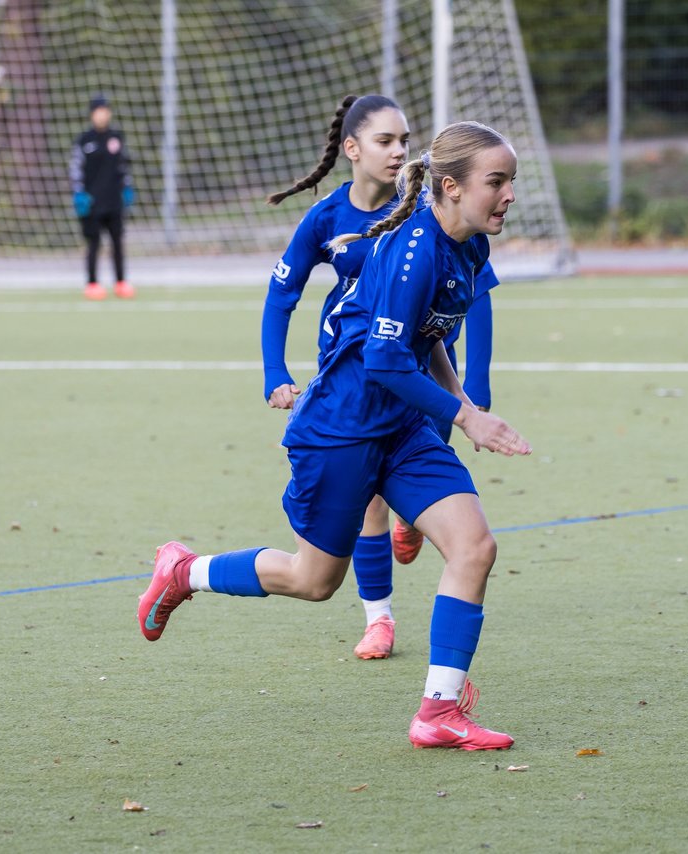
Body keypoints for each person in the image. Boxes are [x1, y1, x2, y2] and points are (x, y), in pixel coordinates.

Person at [139, 121, 529, 750]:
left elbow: (426, 338)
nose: (509, 194)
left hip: (401, 429)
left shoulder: (470, 246)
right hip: (340, 431)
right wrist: (467, 417)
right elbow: (384, 361)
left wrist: (459, 399)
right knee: (314, 581)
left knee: (474, 547)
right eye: (497, 181)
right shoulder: (414, 252)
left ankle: (438, 712)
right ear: (453, 187)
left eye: (511, 180)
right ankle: (186, 570)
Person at [262, 95, 500, 660]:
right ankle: (379, 618)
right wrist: (275, 372)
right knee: (362, 508)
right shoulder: (330, 219)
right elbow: (282, 294)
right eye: (385, 140)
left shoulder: (432, 210)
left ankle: (413, 518)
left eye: (404, 141)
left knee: (447, 515)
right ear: (352, 149)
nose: (398, 151)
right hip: (359, 380)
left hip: (425, 381)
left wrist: (473, 391)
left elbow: (475, 299)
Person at [69, 95, 136, 300]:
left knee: (117, 243)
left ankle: (121, 282)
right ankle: (92, 283)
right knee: (93, 244)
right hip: (92, 202)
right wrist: (78, 193)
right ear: (92, 114)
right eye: (98, 111)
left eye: (105, 110)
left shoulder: (116, 137)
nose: (102, 115)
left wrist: (127, 188)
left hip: (114, 200)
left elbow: (124, 166)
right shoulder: (84, 140)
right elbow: (76, 169)